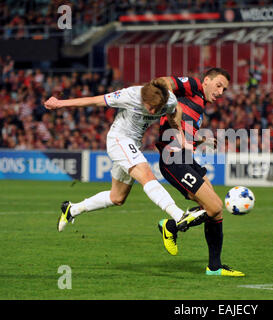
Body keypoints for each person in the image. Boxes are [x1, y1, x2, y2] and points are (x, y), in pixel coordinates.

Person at [44, 79, 205, 232]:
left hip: (133, 144)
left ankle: (72, 209)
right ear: (143, 99)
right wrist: (59, 103)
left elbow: (175, 111)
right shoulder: (130, 95)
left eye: (157, 109)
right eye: (151, 108)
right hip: (118, 140)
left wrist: (181, 138)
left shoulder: (168, 100)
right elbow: (95, 100)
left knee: (117, 197)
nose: (154, 112)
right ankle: (179, 215)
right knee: (146, 174)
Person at [155, 67, 244, 277]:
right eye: (219, 85)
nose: (221, 92)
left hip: (187, 159)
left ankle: (214, 267)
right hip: (173, 158)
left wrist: (202, 140)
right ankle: (170, 226)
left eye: (225, 89)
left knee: (215, 210)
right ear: (206, 81)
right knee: (214, 206)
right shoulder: (193, 86)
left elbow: (184, 134)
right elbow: (162, 81)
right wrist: (169, 106)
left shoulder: (199, 106)